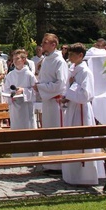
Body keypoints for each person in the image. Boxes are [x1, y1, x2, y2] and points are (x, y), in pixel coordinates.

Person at [60, 43, 102, 185]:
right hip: (73, 108)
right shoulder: (73, 69)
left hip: (82, 111)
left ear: (80, 56)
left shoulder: (85, 72)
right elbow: (71, 90)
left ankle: (84, 176)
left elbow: (86, 95)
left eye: (72, 54)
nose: (69, 57)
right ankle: (72, 174)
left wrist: (71, 88)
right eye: (69, 54)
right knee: (72, 140)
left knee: (82, 141)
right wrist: (66, 96)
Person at [33, 33, 68, 172]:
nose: (42, 45)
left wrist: (41, 87)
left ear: (54, 44)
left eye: (45, 42)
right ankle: (49, 162)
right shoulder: (46, 59)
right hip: (47, 101)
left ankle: (59, 165)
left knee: (56, 132)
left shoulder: (59, 61)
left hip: (56, 102)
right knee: (48, 131)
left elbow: (60, 84)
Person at [3, 49, 37, 130]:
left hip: (26, 107)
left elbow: (36, 90)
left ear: (23, 60)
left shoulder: (29, 75)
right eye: (13, 59)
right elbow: (6, 90)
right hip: (14, 107)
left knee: (27, 128)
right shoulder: (10, 75)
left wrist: (23, 90)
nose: (14, 61)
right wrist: (11, 94)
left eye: (17, 59)